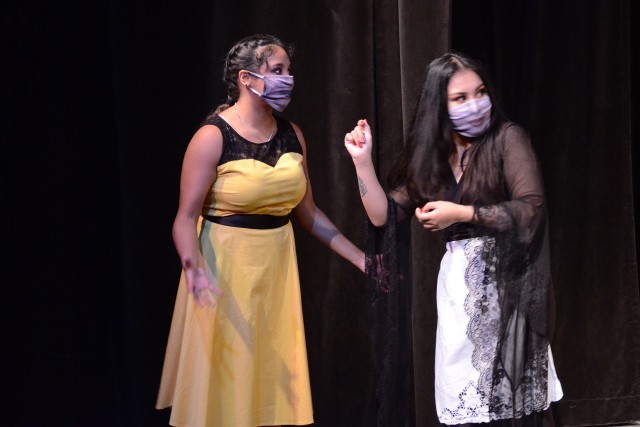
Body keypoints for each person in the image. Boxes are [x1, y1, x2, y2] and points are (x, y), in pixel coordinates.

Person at [344, 52, 563, 426]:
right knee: (466, 391)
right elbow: (383, 216)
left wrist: (461, 213)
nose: (475, 105)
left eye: (479, 93)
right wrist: (362, 162)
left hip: (507, 282)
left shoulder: (507, 139)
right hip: (459, 290)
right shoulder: (432, 158)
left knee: (512, 397)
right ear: (438, 107)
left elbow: (531, 208)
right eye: (460, 98)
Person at [156, 34, 364, 427]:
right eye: (278, 71)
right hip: (224, 269)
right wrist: (194, 270)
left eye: (289, 71)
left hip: (275, 272)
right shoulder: (212, 136)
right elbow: (184, 217)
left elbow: (308, 213)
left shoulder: (293, 134)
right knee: (225, 378)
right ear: (246, 78)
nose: (289, 79)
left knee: (269, 380)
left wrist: (360, 258)